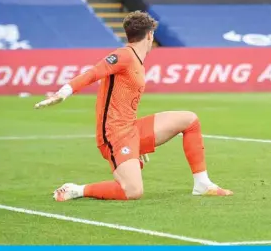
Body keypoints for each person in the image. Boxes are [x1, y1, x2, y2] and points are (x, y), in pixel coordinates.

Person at [34, 11, 232, 201]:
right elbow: (94, 72)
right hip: (115, 135)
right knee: (132, 191)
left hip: (131, 129)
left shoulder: (136, 61)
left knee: (190, 120)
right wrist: (64, 92)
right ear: (150, 35)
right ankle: (77, 190)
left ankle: (202, 184)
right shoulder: (124, 56)